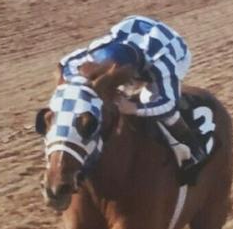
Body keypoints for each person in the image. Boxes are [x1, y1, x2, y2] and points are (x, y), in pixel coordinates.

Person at [58, 16, 209, 184]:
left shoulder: (163, 65)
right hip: (130, 33)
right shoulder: (96, 50)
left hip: (172, 51)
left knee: (153, 101)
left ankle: (194, 149)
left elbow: (167, 104)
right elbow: (64, 64)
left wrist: (134, 108)